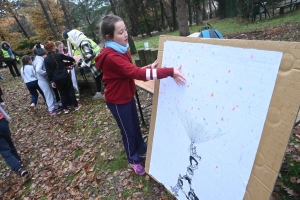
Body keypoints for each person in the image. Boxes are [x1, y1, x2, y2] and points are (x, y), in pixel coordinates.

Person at [95, 15, 185, 175]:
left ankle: (141, 149)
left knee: (135, 125)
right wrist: (170, 71)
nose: (125, 34)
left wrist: (147, 67)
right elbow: (135, 72)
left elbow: (129, 70)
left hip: (127, 95)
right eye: (120, 32)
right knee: (127, 131)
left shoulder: (121, 50)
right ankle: (133, 158)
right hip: (117, 101)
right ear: (109, 36)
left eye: (125, 30)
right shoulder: (111, 56)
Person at [62, 29, 104, 100]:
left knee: (102, 77)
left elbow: (90, 54)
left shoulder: (83, 42)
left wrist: (84, 63)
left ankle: (110, 92)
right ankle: (99, 93)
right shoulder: (80, 42)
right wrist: (80, 62)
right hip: (95, 61)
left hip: (97, 61)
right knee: (97, 77)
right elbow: (84, 54)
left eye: (68, 39)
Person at [44, 41, 82, 114]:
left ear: (46, 49)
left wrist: (51, 81)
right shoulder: (59, 55)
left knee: (62, 93)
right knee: (70, 90)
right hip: (65, 76)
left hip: (57, 79)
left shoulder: (46, 60)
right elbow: (68, 58)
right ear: (53, 47)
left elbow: (49, 72)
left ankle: (65, 108)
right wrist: (73, 61)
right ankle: (76, 105)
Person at [0, 104, 32, 183]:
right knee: (10, 143)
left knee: (5, 152)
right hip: (2, 123)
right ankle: (18, 160)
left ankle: (20, 170)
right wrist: (7, 118)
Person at [32, 45, 61, 115]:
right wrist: (46, 73)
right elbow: (38, 70)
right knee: (48, 95)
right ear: (43, 54)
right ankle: (51, 109)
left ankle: (55, 105)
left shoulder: (35, 60)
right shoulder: (40, 61)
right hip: (42, 80)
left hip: (44, 80)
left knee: (52, 92)